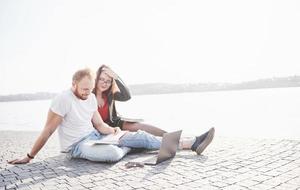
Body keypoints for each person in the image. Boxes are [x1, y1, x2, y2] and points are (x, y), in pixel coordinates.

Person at [8, 68, 215, 164]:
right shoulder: (62, 100)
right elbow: (47, 131)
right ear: (73, 84)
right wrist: (29, 157)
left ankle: (191, 142)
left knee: (140, 135)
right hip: (78, 146)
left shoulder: (90, 99)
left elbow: (99, 125)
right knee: (112, 155)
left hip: (97, 137)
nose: (87, 93)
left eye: (90, 89)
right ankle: (129, 146)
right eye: (83, 89)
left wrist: (113, 131)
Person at [93, 65, 166, 137]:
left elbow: (126, 96)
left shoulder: (110, 94)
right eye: (101, 79)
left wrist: (116, 77)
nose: (104, 83)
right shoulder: (88, 95)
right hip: (97, 128)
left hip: (113, 124)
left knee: (139, 126)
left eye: (108, 81)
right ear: (96, 79)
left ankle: (170, 137)